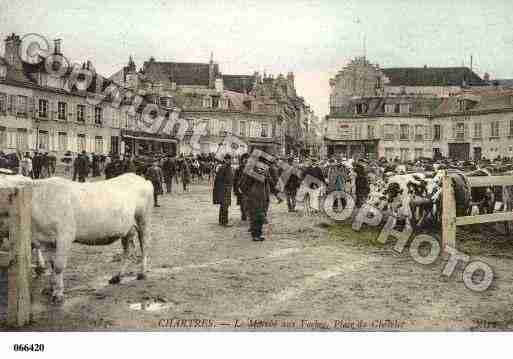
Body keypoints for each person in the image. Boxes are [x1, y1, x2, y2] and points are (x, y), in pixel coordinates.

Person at [239, 158, 276, 241]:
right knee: (255, 215)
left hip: (263, 197)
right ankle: (255, 235)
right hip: (254, 197)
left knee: (261, 215)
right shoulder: (251, 171)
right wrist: (248, 194)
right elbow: (244, 184)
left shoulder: (265, 172)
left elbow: (271, 182)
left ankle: (258, 234)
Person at [213, 154, 233, 226]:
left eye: (230, 159)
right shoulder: (224, 167)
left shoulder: (227, 167)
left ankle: (221, 221)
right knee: (225, 206)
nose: (229, 160)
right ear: (225, 160)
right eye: (228, 159)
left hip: (226, 189)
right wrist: (225, 187)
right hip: (224, 189)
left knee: (223, 206)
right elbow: (219, 179)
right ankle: (224, 222)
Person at [233, 153, 249, 220]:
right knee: (242, 203)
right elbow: (235, 179)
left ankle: (247, 214)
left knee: (249, 202)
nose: (246, 160)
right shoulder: (238, 169)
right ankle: (243, 214)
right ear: (242, 160)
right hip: (241, 188)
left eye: (247, 159)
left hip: (249, 188)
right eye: (244, 159)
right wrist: (235, 190)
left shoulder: (250, 168)